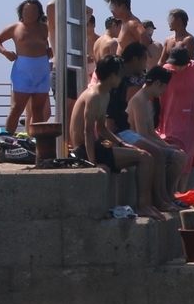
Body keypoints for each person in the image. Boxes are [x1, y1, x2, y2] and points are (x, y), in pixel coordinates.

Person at [69, 54, 163, 219]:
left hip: (95, 145)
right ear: (112, 75)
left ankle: (146, 204)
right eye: (119, 74)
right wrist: (93, 163)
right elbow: (88, 131)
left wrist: (121, 144)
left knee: (143, 155)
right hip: (83, 150)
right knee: (144, 157)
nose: (121, 77)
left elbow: (102, 128)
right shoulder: (93, 96)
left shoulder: (105, 94)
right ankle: (143, 206)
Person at [126, 65, 189, 212]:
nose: (164, 92)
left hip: (144, 140)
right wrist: (165, 148)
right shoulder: (139, 100)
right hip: (134, 142)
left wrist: (167, 145)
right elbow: (142, 134)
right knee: (175, 157)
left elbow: (151, 132)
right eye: (164, 88)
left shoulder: (148, 102)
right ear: (157, 83)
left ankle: (168, 196)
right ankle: (162, 198)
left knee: (179, 154)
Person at [159, 46, 194, 197]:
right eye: (175, 64)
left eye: (181, 64)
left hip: (192, 120)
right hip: (170, 120)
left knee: (190, 152)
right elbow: (155, 99)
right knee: (179, 150)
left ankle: (182, 191)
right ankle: (176, 192)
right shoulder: (165, 72)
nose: (178, 67)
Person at [0, 0, 51, 134]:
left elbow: (58, 38)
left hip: (42, 69)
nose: (29, 13)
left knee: (38, 109)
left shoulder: (45, 28)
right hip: (23, 70)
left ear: (38, 12)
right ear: (21, 12)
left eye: (33, 10)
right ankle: (7, 137)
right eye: (26, 10)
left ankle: (37, 140)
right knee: (17, 107)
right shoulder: (15, 28)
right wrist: (5, 52)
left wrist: (52, 50)